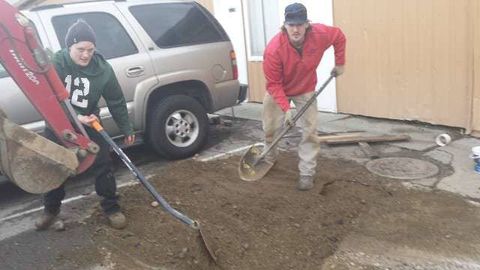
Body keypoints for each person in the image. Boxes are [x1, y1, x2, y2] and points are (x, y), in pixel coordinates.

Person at [35, 19, 135, 230]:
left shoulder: (103, 69)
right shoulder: (57, 63)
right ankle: (51, 211)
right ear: (69, 46)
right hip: (58, 124)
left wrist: (126, 128)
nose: (86, 54)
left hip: (89, 123)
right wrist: (75, 117)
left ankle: (112, 208)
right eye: (80, 49)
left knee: (103, 163)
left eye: (90, 49)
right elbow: (49, 98)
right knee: (55, 167)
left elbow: (116, 100)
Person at [262, 3, 346, 191]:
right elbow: (273, 84)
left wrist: (340, 63)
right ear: (285, 25)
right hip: (279, 89)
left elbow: (339, 36)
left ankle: (307, 173)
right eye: (291, 25)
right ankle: (268, 158)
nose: (296, 29)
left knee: (309, 131)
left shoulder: (320, 35)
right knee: (271, 128)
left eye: (299, 24)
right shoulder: (274, 49)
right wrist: (286, 109)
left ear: (307, 24)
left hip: (305, 87)